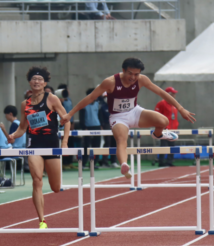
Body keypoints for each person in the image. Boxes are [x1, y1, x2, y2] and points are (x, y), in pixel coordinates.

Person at [61, 57, 196, 179]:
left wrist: (180, 108)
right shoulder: (110, 82)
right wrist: (70, 113)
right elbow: (90, 98)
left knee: (163, 121)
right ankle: (124, 165)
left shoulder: (142, 79)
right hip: (118, 117)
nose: (133, 77)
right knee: (121, 140)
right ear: (123, 70)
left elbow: (161, 92)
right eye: (130, 73)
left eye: (136, 74)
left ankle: (158, 134)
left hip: (135, 112)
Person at [9, 66, 71, 229]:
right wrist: (13, 136)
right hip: (34, 144)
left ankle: (44, 215)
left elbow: (66, 120)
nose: (36, 82)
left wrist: (64, 143)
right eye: (34, 79)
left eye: (40, 79)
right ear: (29, 82)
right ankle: (42, 220)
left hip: (51, 144)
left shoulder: (51, 99)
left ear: (44, 83)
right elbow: (23, 128)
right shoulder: (25, 104)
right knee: (37, 181)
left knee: (55, 187)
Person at [155, 86, 180, 167]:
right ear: (168, 94)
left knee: (172, 147)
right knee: (164, 146)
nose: (174, 96)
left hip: (173, 130)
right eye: (173, 94)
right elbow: (156, 114)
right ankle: (161, 162)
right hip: (164, 129)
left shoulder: (174, 105)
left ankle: (169, 161)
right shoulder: (162, 103)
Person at [80, 88, 102, 168]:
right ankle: (83, 163)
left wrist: (101, 126)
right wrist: (84, 127)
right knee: (86, 146)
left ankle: (93, 163)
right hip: (87, 127)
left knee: (96, 146)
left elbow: (100, 116)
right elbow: (81, 117)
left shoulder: (98, 104)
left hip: (97, 126)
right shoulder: (84, 105)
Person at [98, 90, 118, 168]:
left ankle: (114, 161)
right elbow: (100, 118)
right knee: (107, 143)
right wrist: (102, 127)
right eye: (105, 97)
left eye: (108, 97)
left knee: (115, 143)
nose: (107, 98)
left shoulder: (115, 106)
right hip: (106, 125)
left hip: (114, 125)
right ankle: (104, 162)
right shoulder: (102, 107)